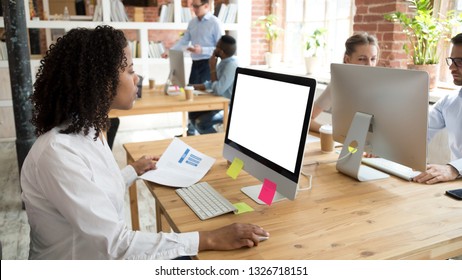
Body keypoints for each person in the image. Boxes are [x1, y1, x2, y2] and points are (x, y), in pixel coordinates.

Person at [20, 26, 269, 260]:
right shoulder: (58, 153)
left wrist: (133, 170)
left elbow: (95, 193)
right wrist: (210, 238)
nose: (136, 77)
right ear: (100, 82)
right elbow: (117, 245)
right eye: (129, 70)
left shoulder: (88, 130)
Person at [413, 33, 462, 184]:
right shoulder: (449, 102)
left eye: (459, 62)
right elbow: (419, 132)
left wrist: (454, 168)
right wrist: (388, 150)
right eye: (452, 60)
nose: (451, 67)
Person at [309, 32, 379, 132]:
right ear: (347, 59)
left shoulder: (382, 86)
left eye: (373, 59)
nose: (369, 65)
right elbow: (307, 118)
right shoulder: (338, 85)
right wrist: (330, 132)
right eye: (362, 59)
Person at [162, 0, 223, 85]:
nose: (194, 9)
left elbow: (221, 48)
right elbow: (184, 41)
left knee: (205, 94)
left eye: (197, 6)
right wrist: (170, 51)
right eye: (193, 6)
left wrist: (202, 50)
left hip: (209, 64)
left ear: (206, 6)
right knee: (191, 91)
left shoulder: (215, 23)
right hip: (195, 64)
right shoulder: (192, 23)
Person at [188, 34, 238, 134]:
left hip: (228, 106)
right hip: (219, 102)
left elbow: (218, 90)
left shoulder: (231, 65)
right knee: (192, 114)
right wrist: (194, 86)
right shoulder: (223, 62)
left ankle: (217, 143)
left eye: (217, 46)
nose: (214, 48)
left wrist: (212, 68)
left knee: (201, 123)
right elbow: (214, 83)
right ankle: (206, 140)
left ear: (221, 52)